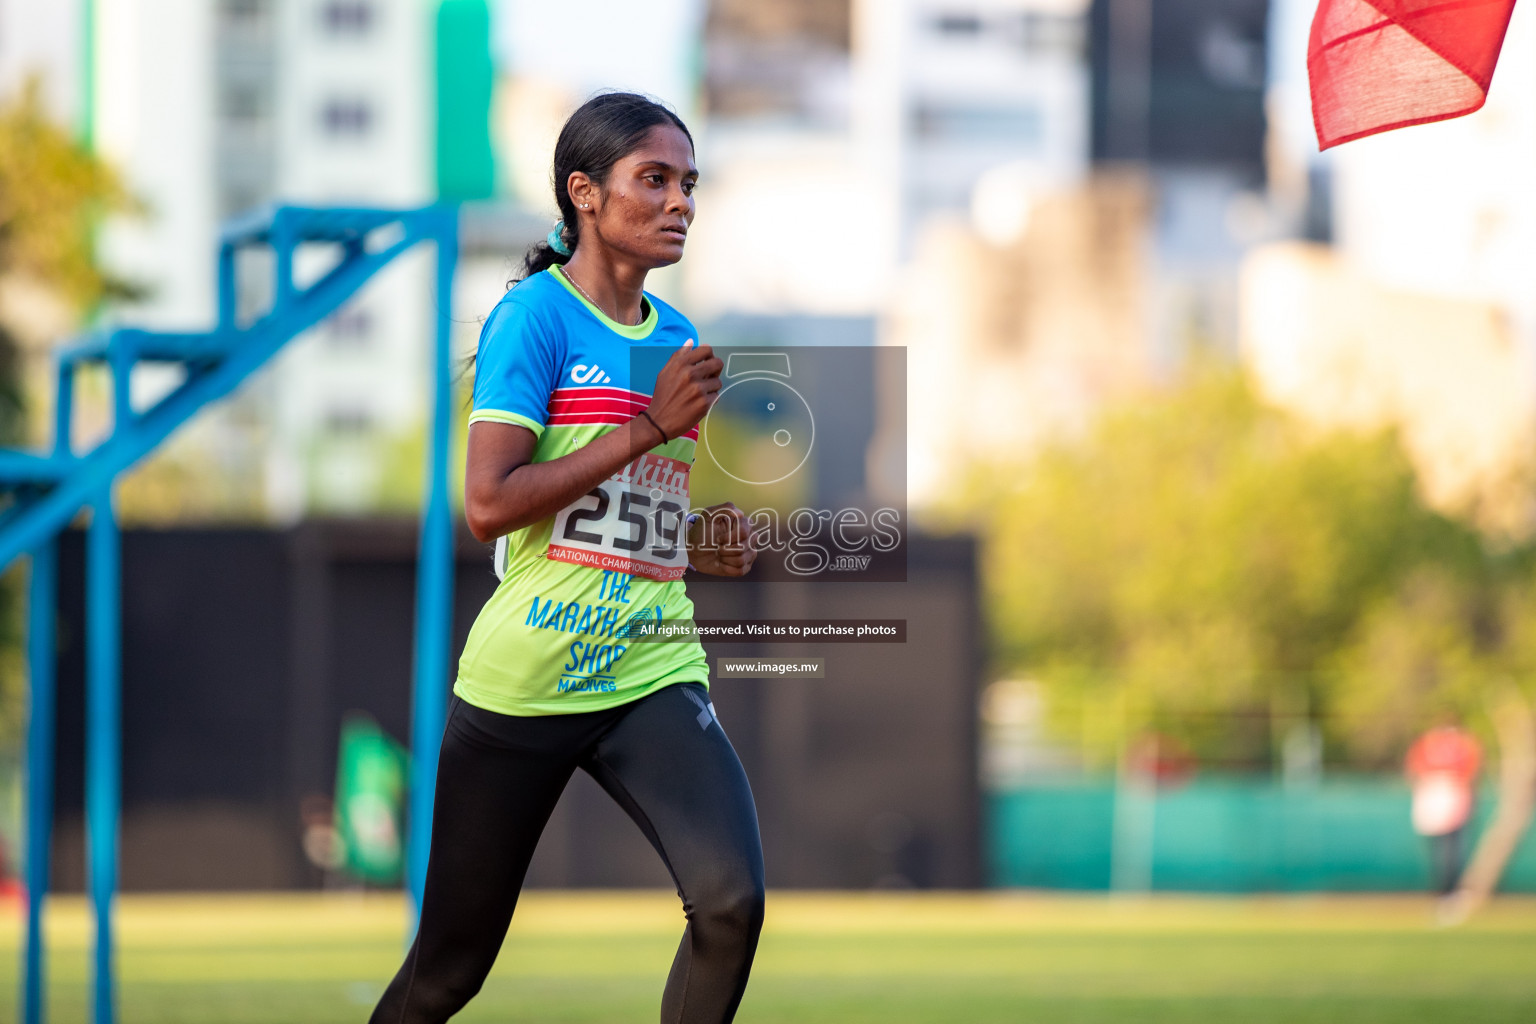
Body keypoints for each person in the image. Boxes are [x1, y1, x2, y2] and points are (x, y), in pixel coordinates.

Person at [370, 92, 764, 1024]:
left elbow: (628, 514)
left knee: (731, 902)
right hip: (527, 676)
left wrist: (701, 542)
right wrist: (648, 427)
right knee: (447, 975)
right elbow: (489, 504)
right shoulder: (531, 320)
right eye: (654, 180)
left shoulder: (676, 337)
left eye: (689, 184)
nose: (680, 203)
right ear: (584, 193)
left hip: (650, 664)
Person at [1404, 719, 1483, 897]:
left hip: (1453, 792)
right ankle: (1443, 889)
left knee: (1453, 847)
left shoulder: (1463, 745)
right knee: (1439, 847)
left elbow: (1471, 772)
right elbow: (1413, 769)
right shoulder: (1427, 744)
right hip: (1433, 792)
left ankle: (1451, 889)